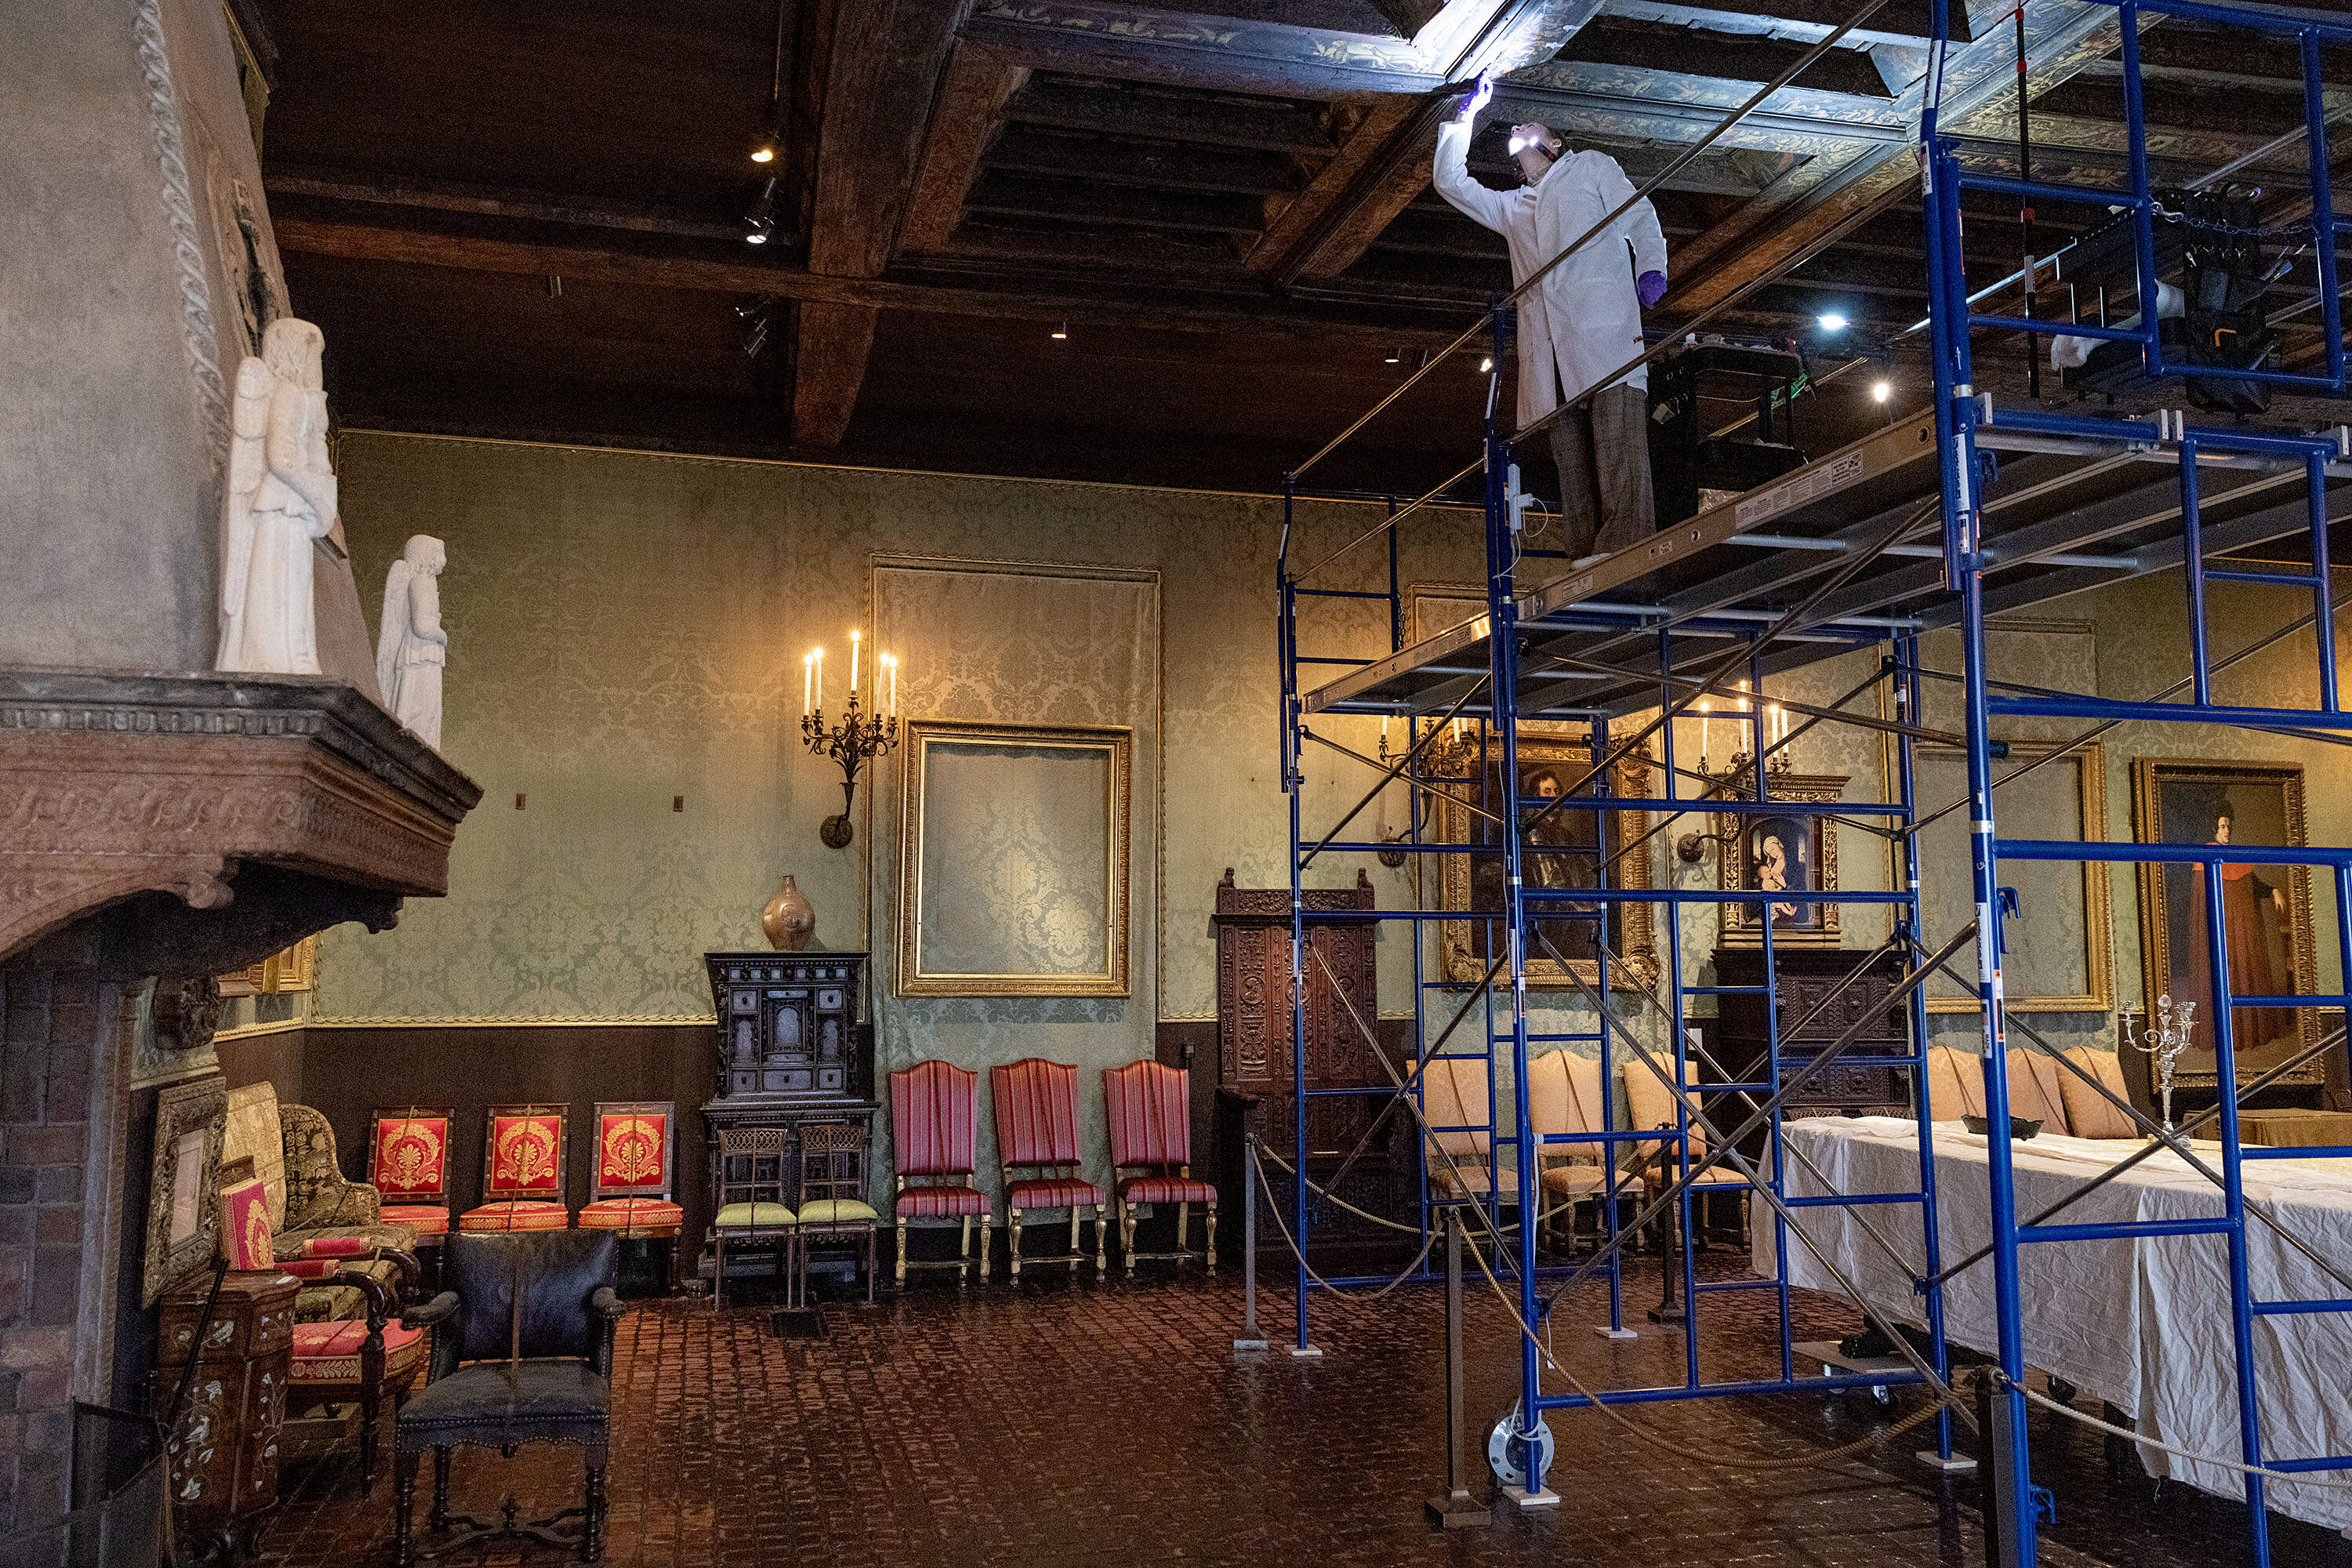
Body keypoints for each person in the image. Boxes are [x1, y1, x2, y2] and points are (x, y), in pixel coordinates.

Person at [1432, 77, 1668, 561]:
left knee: (1618, 442)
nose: (1518, 129)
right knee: (1571, 457)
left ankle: (1629, 549)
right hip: (1549, 351)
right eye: (1514, 134)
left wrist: (1651, 266)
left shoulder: (1590, 168)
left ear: (1555, 143)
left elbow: (1639, 214)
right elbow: (1450, 182)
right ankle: (1585, 553)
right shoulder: (1512, 207)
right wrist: (1466, 118)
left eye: (1529, 127)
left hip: (1603, 335)